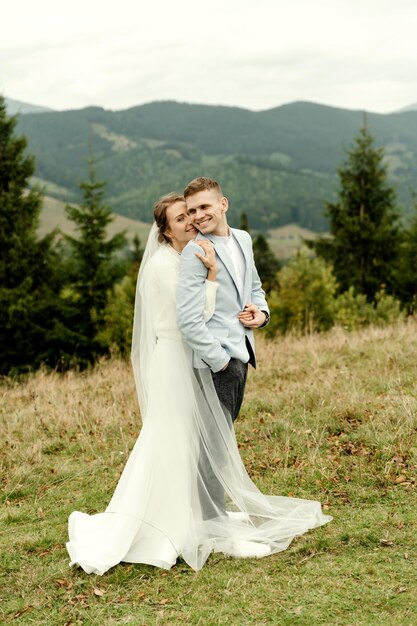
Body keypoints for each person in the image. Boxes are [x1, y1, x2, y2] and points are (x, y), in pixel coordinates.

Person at [66, 192, 331, 576]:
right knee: (177, 437)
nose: (190, 222)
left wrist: (256, 312)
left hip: (186, 355)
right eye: (180, 219)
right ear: (166, 230)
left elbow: (249, 289)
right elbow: (188, 318)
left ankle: (190, 511)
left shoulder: (198, 250)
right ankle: (185, 522)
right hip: (175, 357)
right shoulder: (164, 265)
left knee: (189, 440)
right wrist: (211, 278)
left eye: (191, 214)